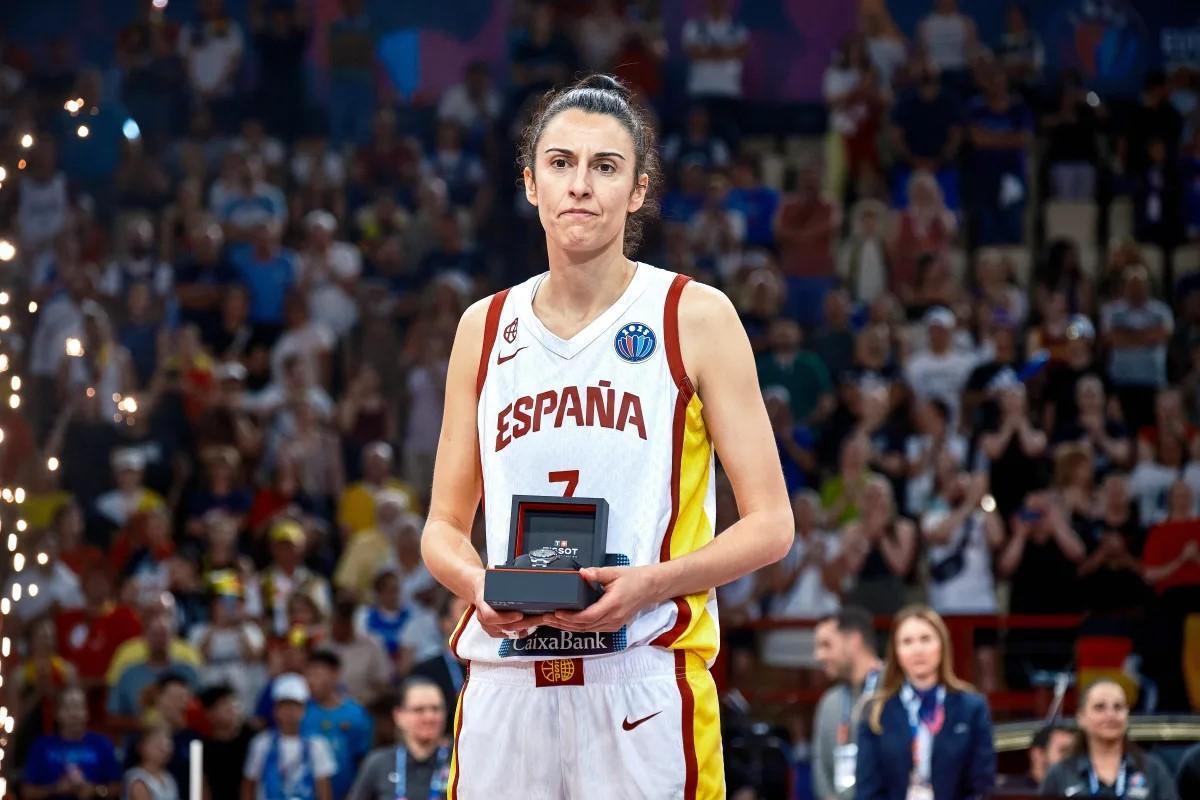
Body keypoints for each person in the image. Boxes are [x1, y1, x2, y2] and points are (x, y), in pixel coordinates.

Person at [419, 75, 792, 799]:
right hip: (507, 681)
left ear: (638, 189)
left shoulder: (694, 315)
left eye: (605, 166)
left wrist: (653, 583)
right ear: (530, 183)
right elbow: (440, 526)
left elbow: (773, 525)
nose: (580, 185)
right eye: (560, 163)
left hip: (641, 684)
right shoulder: (484, 327)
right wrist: (478, 586)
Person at [855, 605, 995, 799]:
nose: (917, 650)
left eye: (926, 639)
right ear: (896, 652)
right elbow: (867, 790)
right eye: (907, 642)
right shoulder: (875, 710)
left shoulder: (972, 707)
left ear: (942, 645)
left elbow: (981, 786)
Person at [1041, 679, 1178, 798]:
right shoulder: (1060, 774)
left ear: (1127, 715)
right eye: (1100, 707)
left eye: (1118, 707)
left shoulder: (1152, 769)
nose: (1110, 715)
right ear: (1081, 717)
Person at [810, 608, 881, 800]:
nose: (818, 656)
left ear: (854, 642)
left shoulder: (894, 690)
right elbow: (820, 767)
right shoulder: (829, 702)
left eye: (826, 645)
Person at [345, 679, 451, 800]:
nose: (429, 717)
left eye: (436, 709)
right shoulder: (379, 763)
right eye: (419, 710)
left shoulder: (460, 761)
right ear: (399, 716)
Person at [243, 673, 336, 800]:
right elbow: (249, 786)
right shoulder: (261, 743)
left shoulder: (317, 744)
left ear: (304, 709)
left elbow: (324, 790)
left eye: (295, 706)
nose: (290, 712)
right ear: (275, 710)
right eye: (285, 706)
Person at [22, 686, 122, 800]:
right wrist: (55, 789)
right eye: (68, 708)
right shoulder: (41, 746)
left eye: (78, 707)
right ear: (56, 713)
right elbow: (27, 792)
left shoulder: (102, 744)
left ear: (87, 712)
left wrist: (94, 790)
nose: (74, 714)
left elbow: (117, 788)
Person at [300, 650, 373, 800]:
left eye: (317, 674)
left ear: (335, 675)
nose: (311, 681)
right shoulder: (301, 712)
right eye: (308, 675)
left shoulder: (356, 714)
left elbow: (363, 759)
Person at [995, 721, 1074, 792]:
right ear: (1037, 754)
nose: (1072, 757)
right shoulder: (1009, 791)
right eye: (1064, 750)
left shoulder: (1076, 790)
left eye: (1075, 751)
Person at [124, 724, 179, 800]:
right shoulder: (137, 779)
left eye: (167, 743)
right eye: (157, 744)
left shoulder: (168, 777)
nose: (164, 748)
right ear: (141, 747)